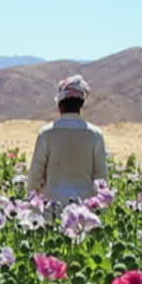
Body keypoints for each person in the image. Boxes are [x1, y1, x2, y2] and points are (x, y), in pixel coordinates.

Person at [26, 74, 108, 209]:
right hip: (85, 209)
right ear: (81, 104)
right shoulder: (95, 134)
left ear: (59, 104)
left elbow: (36, 176)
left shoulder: (47, 133)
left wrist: (31, 202)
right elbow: (101, 177)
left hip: (51, 208)